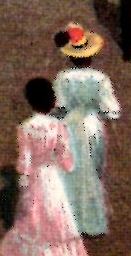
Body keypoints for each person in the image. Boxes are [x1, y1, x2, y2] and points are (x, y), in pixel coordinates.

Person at [0, 78, 99, 256]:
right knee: (58, 224)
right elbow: (67, 162)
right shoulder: (58, 127)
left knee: (35, 222)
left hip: (36, 180)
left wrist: (24, 180)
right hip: (53, 180)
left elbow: (24, 163)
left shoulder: (25, 128)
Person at [52, 24, 121, 237]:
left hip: (70, 125)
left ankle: (70, 221)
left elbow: (60, 106)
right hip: (92, 125)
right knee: (92, 170)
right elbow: (111, 110)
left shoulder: (63, 78)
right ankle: (92, 222)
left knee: (71, 170)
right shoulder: (100, 79)